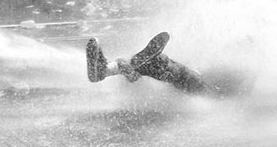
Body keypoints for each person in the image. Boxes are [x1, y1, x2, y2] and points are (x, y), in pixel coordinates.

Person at [86, 32, 255, 96]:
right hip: (201, 88)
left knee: (178, 71)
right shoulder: (241, 73)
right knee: (129, 65)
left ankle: (153, 62)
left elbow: (236, 91)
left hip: (208, 93)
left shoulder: (245, 78)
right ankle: (103, 71)